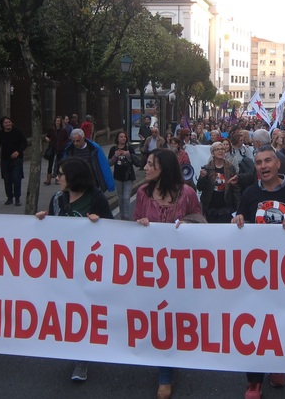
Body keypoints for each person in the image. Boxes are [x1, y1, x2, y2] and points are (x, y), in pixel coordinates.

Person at [232, 146, 285, 398]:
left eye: (268, 160)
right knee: (255, 323)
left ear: (278, 164)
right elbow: (238, 218)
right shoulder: (249, 193)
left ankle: (277, 365)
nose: (263, 166)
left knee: (279, 322)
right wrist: (236, 220)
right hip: (255, 272)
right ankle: (254, 379)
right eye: (258, 162)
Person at [35, 157, 112, 382]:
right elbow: (52, 229)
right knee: (67, 311)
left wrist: (101, 223)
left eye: (61, 174)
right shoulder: (58, 198)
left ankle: (82, 360)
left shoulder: (96, 198)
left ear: (74, 177)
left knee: (85, 311)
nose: (58, 178)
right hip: (64, 266)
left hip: (90, 268)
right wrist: (42, 221)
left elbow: (113, 233)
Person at [134, 149, 203, 399]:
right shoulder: (142, 193)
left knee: (172, 317)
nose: (145, 167)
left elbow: (200, 220)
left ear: (165, 168)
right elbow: (134, 225)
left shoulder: (187, 194)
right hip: (150, 269)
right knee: (157, 316)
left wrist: (189, 225)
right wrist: (140, 225)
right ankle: (164, 365)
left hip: (179, 270)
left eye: (151, 164)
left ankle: (166, 372)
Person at [0, 116, 27, 206]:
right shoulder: (0, 134)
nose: (8, 124)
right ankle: (9, 197)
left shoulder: (17, 131)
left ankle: (17, 198)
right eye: (6, 122)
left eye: (9, 122)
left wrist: (18, 152)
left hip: (16, 159)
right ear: (2, 124)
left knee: (16, 178)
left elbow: (24, 142)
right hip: (5, 159)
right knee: (7, 179)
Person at [197, 141, 240, 223]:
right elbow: (200, 187)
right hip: (210, 207)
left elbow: (235, 189)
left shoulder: (230, 167)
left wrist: (238, 209)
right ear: (212, 153)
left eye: (222, 149)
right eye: (217, 149)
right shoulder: (207, 168)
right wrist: (202, 177)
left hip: (226, 207)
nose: (220, 151)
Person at [64, 128, 115, 193]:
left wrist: (110, 185)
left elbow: (104, 166)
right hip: (77, 183)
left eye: (77, 141)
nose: (75, 143)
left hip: (92, 182)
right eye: (73, 141)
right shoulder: (69, 151)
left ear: (83, 138)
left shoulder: (94, 148)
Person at [107, 131, 140, 221]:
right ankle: (122, 216)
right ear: (117, 138)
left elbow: (136, 162)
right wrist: (115, 156)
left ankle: (126, 217)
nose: (123, 138)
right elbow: (109, 163)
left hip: (128, 176)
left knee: (126, 197)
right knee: (120, 198)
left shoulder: (129, 148)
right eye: (121, 137)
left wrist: (128, 154)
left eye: (124, 137)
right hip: (118, 176)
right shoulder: (113, 149)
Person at [45, 116, 68, 186]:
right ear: (54, 122)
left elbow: (66, 139)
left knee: (58, 164)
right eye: (56, 121)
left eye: (59, 121)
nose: (57, 122)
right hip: (52, 148)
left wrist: (63, 145)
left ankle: (58, 178)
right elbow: (47, 136)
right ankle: (48, 179)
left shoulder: (63, 130)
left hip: (60, 149)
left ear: (61, 122)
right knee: (50, 164)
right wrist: (47, 138)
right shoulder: (51, 129)